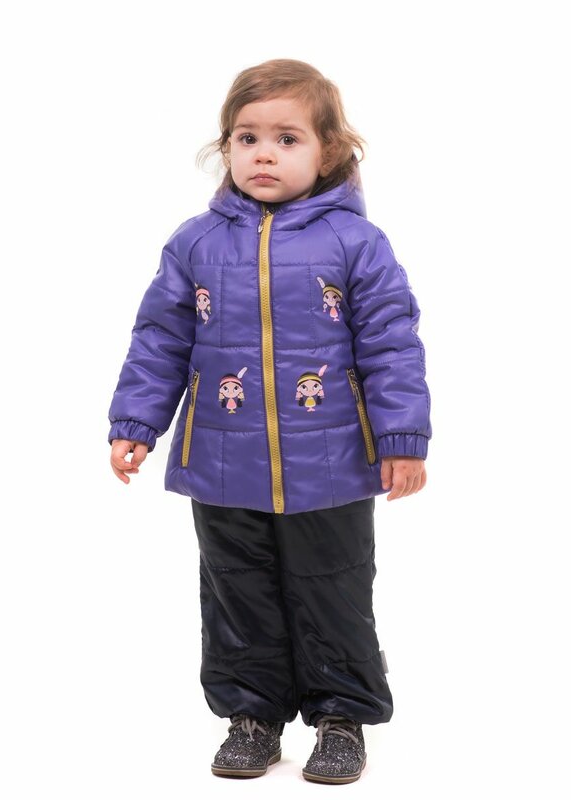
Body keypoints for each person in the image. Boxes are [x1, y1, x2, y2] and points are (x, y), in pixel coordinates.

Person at [107, 58, 432, 784]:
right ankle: (251, 716)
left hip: (332, 463)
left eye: (287, 138)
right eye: (246, 137)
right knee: (237, 592)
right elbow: (159, 340)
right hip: (221, 461)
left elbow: (391, 344)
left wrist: (402, 439)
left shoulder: (356, 243)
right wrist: (135, 423)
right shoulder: (195, 243)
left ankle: (341, 717)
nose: (263, 153)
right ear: (225, 147)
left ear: (329, 151)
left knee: (334, 589)